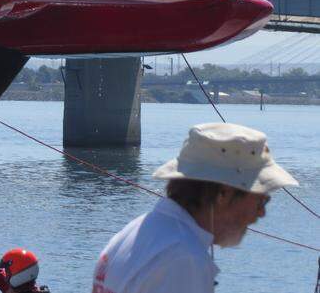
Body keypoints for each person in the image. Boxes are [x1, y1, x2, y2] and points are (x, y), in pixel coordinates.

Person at [92, 122, 298, 293]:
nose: (261, 213)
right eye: (261, 201)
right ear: (223, 194)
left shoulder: (139, 231)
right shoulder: (184, 259)